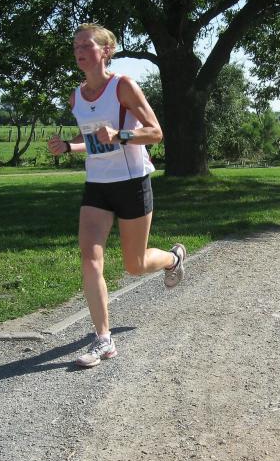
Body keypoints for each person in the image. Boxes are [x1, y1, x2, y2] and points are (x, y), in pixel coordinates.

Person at [48, 23, 186, 368]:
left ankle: (172, 259)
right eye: (76, 46)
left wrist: (121, 135)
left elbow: (155, 133)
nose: (80, 51)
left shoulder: (123, 86)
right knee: (89, 258)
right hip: (97, 185)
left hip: (132, 181)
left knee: (134, 265)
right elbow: (93, 139)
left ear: (106, 51)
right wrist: (68, 146)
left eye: (87, 45)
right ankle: (103, 339)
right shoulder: (76, 96)